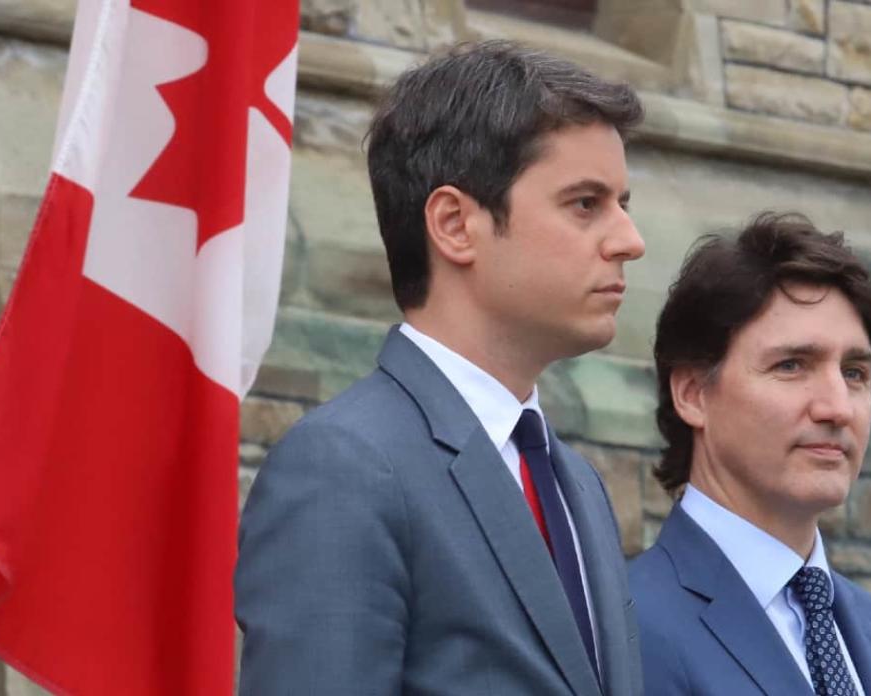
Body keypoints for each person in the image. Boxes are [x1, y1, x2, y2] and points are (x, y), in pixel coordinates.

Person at [235, 41, 646, 696]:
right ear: (455, 224)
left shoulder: (576, 485)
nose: (630, 240)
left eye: (623, 203)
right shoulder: (343, 469)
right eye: (584, 204)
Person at [629, 213, 871, 696]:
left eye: (855, 373)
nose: (837, 407)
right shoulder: (620, 626)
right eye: (792, 365)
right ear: (693, 393)